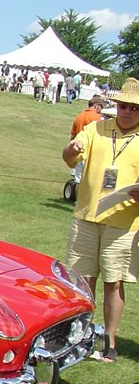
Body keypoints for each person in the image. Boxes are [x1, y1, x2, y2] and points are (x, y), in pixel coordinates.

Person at [61, 78, 139, 362]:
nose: (127, 112)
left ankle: (109, 340)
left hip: (123, 222)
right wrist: (72, 150)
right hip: (86, 216)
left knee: (114, 282)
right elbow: (68, 157)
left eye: (133, 108)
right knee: (82, 280)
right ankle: (80, 336)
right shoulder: (96, 128)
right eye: (122, 106)